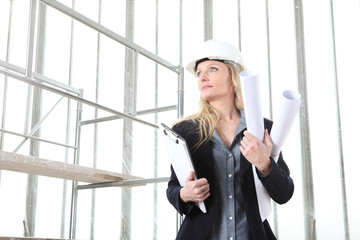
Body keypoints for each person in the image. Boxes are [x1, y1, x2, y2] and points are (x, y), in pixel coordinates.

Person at [166, 39, 294, 240]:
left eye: (212, 69)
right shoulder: (185, 131)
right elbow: (173, 188)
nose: (203, 77)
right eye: (199, 73)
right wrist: (184, 194)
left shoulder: (262, 129)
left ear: (233, 77)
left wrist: (264, 165)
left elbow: (284, 193)